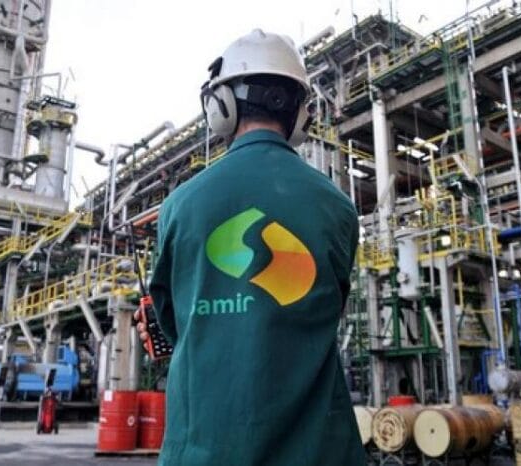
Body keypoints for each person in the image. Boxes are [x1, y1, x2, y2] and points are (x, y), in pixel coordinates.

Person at [136, 29, 365, 466]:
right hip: (318, 452)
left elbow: (174, 327)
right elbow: (327, 312)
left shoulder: (180, 206)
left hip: (203, 450)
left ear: (220, 106)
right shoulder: (338, 208)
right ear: (301, 113)